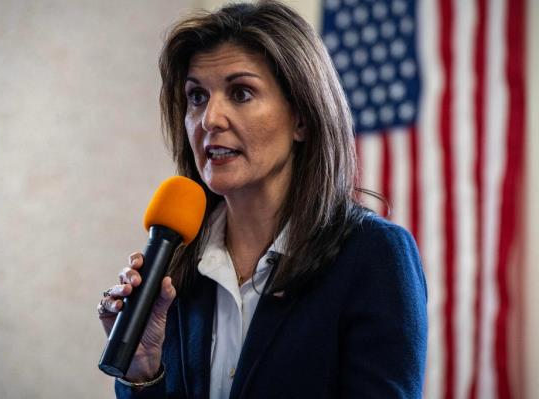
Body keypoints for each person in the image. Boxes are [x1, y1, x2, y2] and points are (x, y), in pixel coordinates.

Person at [97, 1, 427, 398]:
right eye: (197, 96)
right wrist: (142, 370)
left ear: (301, 119)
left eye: (240, 93)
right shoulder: (175, 267)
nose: (210, 120)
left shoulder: (373, 255)